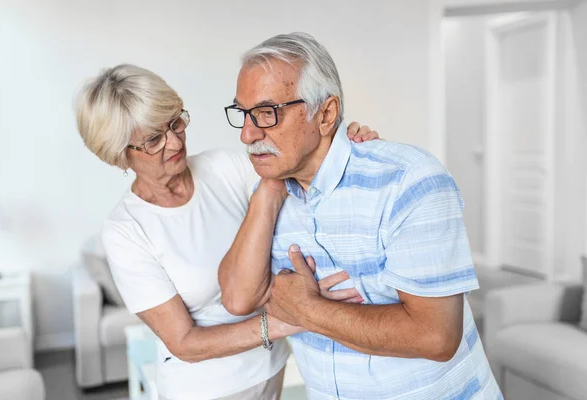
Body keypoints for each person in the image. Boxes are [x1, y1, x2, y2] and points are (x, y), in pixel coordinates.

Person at [219, 32, 503, 399]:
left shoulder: (407, 180)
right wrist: (268, 190)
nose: (247, 134)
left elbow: (436, 336)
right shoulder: (270, 193)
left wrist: (307, 309)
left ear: (326, 114)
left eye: (266, 113)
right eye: (242, 113)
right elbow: (239, 299)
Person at [74, 63, 377, 400]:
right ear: (119, 155)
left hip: (274, 369)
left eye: (175, 122)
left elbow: (296, 188)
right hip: (206, 390)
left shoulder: (223, 167)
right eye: (154, 139)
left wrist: (345, 149)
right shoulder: (125, 230)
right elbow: (184, 343)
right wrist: (299, 318)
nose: (174, 142)